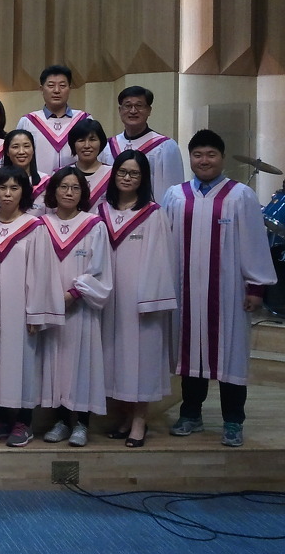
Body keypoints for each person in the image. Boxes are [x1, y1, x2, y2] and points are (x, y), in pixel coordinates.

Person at [162, 129, 276, 447]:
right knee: (190, 354)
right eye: (198, 154)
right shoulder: (175, 196)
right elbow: (165, 244)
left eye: (211, 154)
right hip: (185, 291)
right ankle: (191, 414)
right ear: (190, 158)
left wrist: (256, 288)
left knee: (231, 357)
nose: (204, 160)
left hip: (228, 293)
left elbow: (255, 243)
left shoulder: (240, 196)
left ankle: (233, 421)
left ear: (223, 158)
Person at [0, 166, 63, 448]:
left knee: (22, 364)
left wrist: (36, 312)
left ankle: (23, 421)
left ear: (24, 192)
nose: (7, 194)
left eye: (14, 188)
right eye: (2, 188)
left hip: (21, 309)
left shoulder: (35, 228)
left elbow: (41, 273)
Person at [98, 150, 177, 448]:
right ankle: (125, 417)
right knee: (115, 360)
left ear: (143, 179)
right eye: (122, 172)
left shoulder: (153, 213)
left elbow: (161, 260)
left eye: (134, 173)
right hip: (108, 298)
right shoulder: (102, 212)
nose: (127, 178)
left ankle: (140, 420)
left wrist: (151, 299)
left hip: (140, 300)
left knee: (140, 359)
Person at [39, 167, 112, 448]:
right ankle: (60, 420)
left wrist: (72, 294)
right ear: (53, 191)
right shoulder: (41, 225)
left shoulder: (94, 225)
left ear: (83, 193)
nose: (69, 193)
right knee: (54, 363)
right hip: (48, 308)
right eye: (63, 187)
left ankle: (82, 423)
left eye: (75, 188)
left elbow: (99, 270)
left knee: (81, 364)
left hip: (80, 307)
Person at [99, 86, 185, 202]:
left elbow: (173, 191)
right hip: (113, 209)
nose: (133, 111)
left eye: (139, 106)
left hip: (151, 211)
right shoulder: (108, 146)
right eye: (128, 106)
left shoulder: (164, 146)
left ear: (149, 110)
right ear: (120, 110)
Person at [15, 64, 91, 174]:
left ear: (69, 89)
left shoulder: (83, 119)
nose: (56, 90)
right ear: (41, 89)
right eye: (51, 86)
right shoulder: (28, 121)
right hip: (37, 183)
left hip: (75, 183)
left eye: (62, 86)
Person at [2, 129, 49, 216]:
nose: (21, 152)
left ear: (33, 150)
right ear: (7, 152)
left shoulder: (46, 183)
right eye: (15, 147)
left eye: (26, 146)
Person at [69, 119, 111, 211]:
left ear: (101, 142)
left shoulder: (112, 174)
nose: (87, 145)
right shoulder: (61, 174)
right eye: (81, 140)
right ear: (73, 144)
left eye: (92, 139)